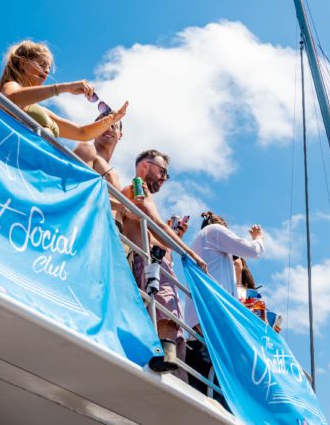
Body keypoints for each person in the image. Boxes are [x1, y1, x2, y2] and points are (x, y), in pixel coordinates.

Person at [121, 149, 207, 374]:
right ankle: (165, 354)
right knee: (166, 299)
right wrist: (190, 253)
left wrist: (176, 237)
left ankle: (165, 353)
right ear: (144, 166)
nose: (164, 178)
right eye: (162, 171)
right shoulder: (138, 188)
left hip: (143, 262)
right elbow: (157, 224)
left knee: (163, 301)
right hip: (145, 264)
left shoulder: (137, 194)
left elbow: (153, 236)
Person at [184, 212, 264, 401]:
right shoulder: (215, 232)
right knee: (219, 386)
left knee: (202, 384)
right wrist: (258, 237)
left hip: (199, 319)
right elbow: (254, 250)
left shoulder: (199, 245)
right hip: (213, 318)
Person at [0, 40, 127, 141]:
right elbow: (10, 100)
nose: (47, 71)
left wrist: (110, 120)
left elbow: (81, 133)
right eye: (42, 64)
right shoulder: (11, 85)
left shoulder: (41, 111)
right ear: (22, 63)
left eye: (49, 67)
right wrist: (65, 87)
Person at [74, 110, 126, 231]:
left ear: (120, 135)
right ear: (94, 128)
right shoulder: (87, 148)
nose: (109, 128)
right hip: (89, 225)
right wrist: (121, 207)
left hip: (112, 232)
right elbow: (79, 189)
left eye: (114, 125)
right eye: (105, 124)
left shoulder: (115, 175)